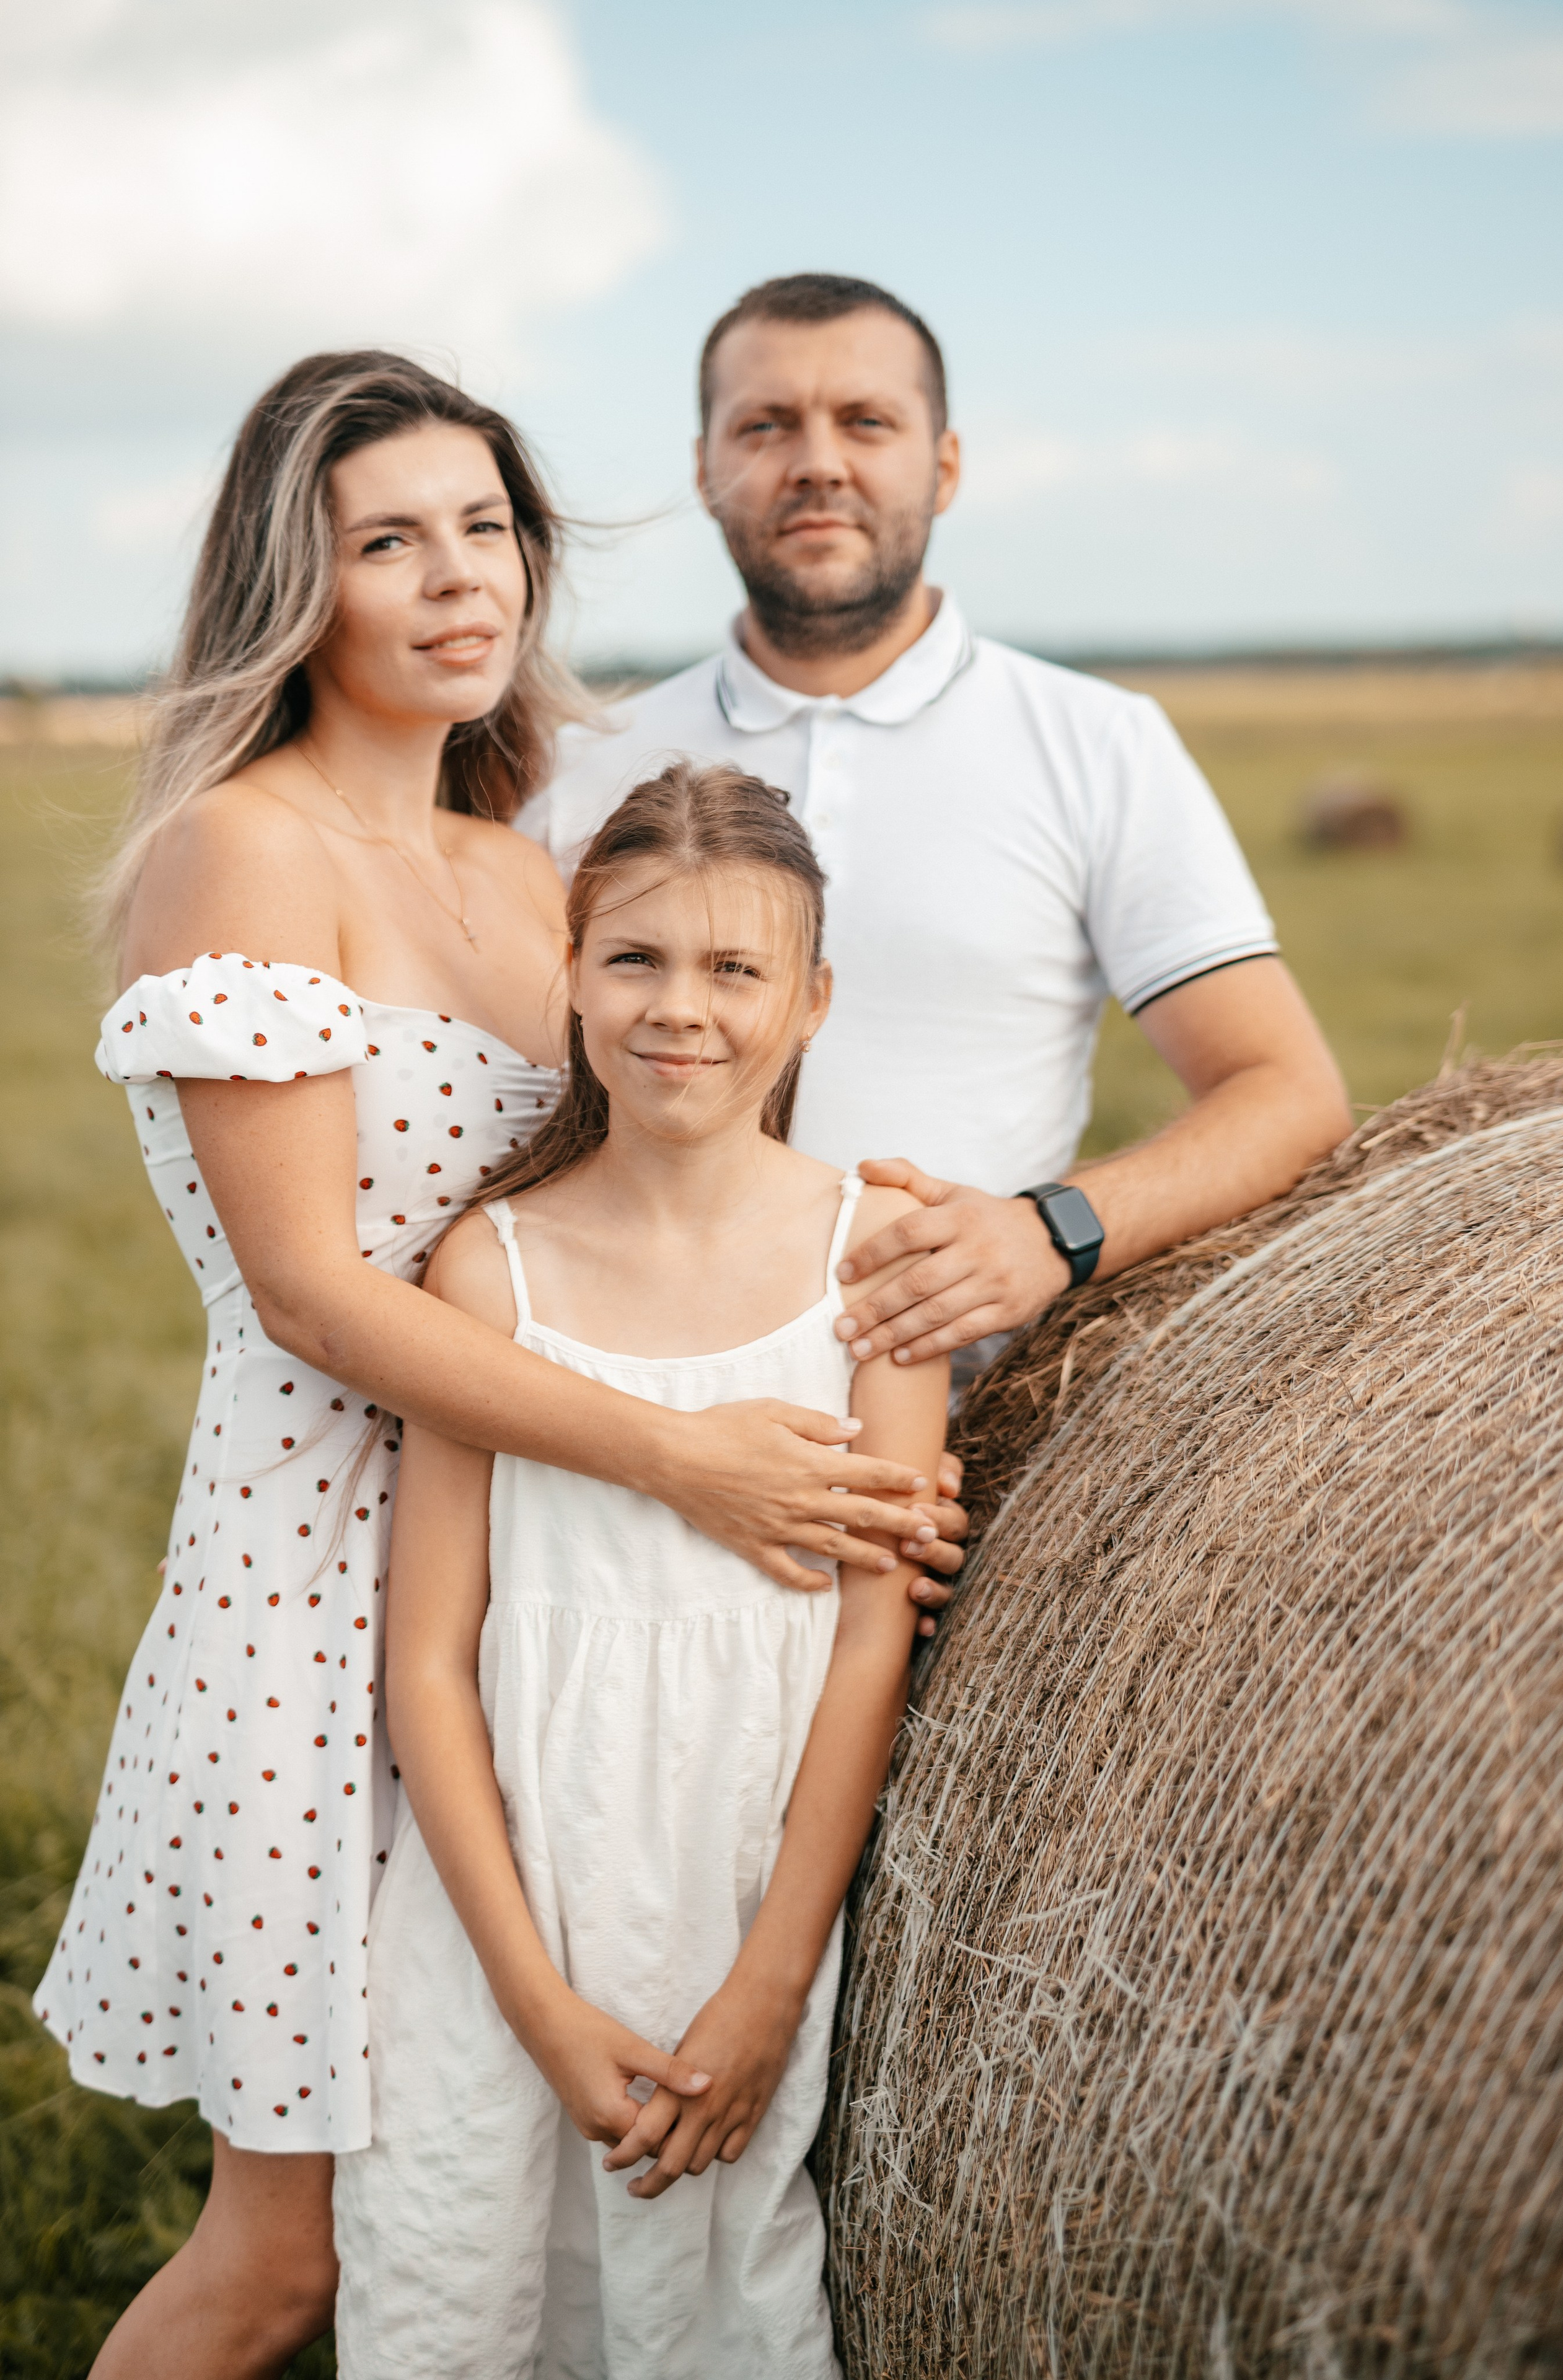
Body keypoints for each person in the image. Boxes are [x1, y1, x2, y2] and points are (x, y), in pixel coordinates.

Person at [35, 353, 954, 2380]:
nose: (464, 582)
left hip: (536, 1580)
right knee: (287, 2262)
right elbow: (317, 1297)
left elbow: (601, 1175)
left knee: (470, 2196)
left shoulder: (512, 863)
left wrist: (851, 1220)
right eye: (392, 542)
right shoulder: (243, 851)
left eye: (489, 532)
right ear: (300, 587)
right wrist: (686, 1457)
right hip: (312, 1590)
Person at [334, 762, 948, 2378]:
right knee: (469, 2296)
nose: (683, 1009)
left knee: (716, 2313)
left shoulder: (870, 1256)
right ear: (577, 977)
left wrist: (768, 1984)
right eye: (638, 960)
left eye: (736, 969)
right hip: (499, 1928)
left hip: (740, 1897)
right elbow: (431, 1668)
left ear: (810, 1002)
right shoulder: (491, 1264)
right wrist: (532, 2002)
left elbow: (871, 1645)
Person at [526, 276, 1352, 1380]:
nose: (818, 461)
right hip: (619, 1404)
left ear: (945, 466)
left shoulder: (1100, 741)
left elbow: (1287, 1092)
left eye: (867, 421)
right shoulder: (579, 759)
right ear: (704, 470)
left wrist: (1048, 1231)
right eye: (765, 425)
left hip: (974, 1429)